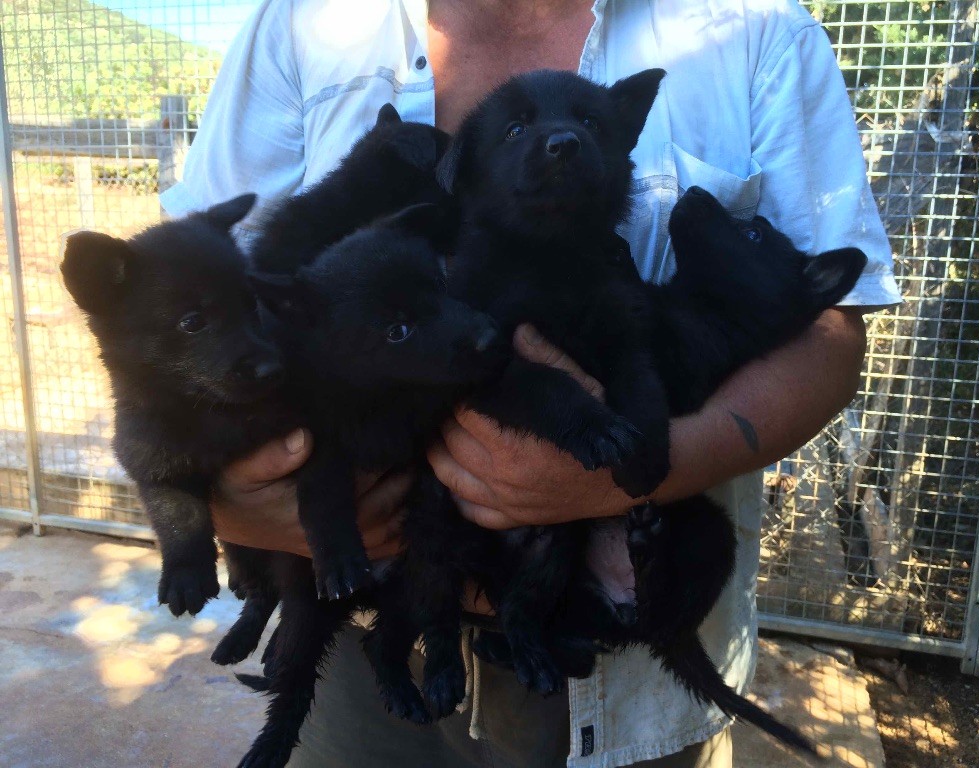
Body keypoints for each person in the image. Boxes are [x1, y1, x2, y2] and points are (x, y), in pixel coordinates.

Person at [160, 0, 901, 765]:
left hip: (627, 652)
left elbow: (830, 328)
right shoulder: (300, 24)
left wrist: (641, 469)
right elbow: (185, 293)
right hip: (358, 619)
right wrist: (228, 498)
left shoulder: (754, 27)